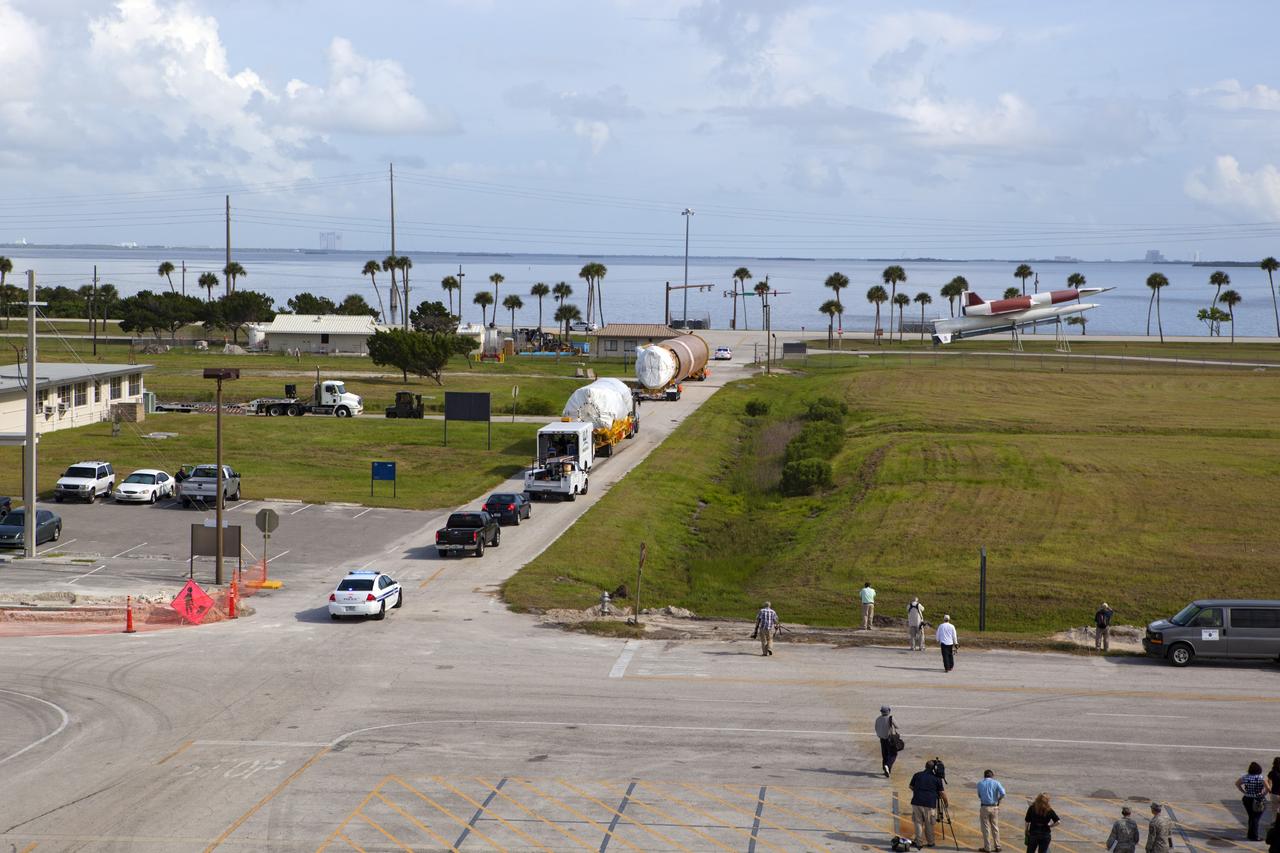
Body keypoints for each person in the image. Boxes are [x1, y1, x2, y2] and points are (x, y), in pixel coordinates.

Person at [909, 760, 946, 848]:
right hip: (929, 804)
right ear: (934, 768)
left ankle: (918, 842)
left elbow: (911, 786)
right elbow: (941, 792)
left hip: (916, 802)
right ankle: (931, 842)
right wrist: (946, 802)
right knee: (929, 824)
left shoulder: (917, 775)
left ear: (925, 766)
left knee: (918, 823)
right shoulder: (937, 778)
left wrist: (918, 791)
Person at [1237, 761, 1272, 841]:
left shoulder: (1245, 777)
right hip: (1258, 799)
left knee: (1251, 817)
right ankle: (1254, 836)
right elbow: (1268, 788)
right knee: (1256, 818)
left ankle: (1250, 834)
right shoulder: (1260, 777)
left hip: (1247, 798)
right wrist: (1263, 794)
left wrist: (1243, 791)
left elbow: (1237, 784)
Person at [977, 769, 1006, 852]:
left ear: (984, 776)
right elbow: (1003, 793)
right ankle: (997, 846)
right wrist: (998, 800)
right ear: (992, 776)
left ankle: (987, 847)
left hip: (984, 807)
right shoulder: (996, 783)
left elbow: (979, 795)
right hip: (994, 807)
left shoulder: (980, 783)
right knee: (995, 827)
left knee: (985, 828)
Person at [875, 706, 900, 778]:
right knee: (893, 754)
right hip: (890, 739)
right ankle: (888, 766)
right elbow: (897, 726)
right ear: (888, 711)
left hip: (882, 739)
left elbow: (876, 728)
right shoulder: (890, 718)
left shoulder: (878, 719)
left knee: (885, 754)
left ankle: (885, 769)